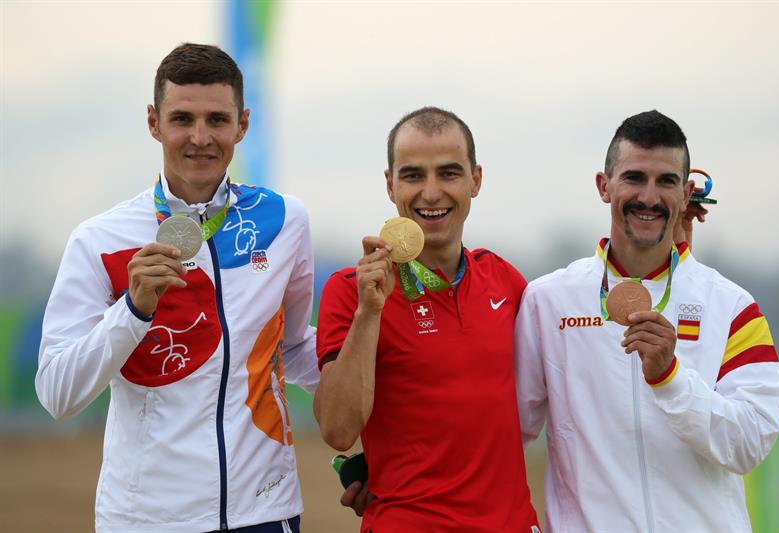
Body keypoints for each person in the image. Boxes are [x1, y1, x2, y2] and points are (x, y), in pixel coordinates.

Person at [35, 43, 318, 533]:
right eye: (183, 118)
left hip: (266, 511)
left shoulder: (285, 220)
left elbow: (292, 347)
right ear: (154, 122)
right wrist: (132, 309)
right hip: (148, 519)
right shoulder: (99, 240)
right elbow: (58, 394)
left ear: (243, 124)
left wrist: (378, 361)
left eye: (217, 119)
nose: (200, 138)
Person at [514, 110, 779, 532]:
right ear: (604, 187)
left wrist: (671, 379)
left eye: (666, 182)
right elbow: (507, 433)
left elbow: (750, 444)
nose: (649, 197)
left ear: (685, 193)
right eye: (634, 178)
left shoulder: (732, 307)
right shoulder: (547, 301)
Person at [313, 107, 541, 532]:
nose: (431, 193)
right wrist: (369, 313)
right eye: (414, 175)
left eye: (449, 173)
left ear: (476, 179)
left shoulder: (505, 280)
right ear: (390, 183)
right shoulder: (352, 290)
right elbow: (339, 430)